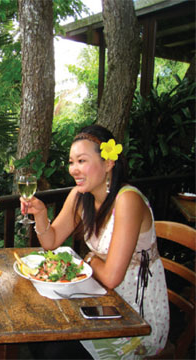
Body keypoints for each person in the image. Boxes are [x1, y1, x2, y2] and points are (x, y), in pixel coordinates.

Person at [20, 124, 169, 359]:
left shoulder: (127, 200)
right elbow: (52, 241)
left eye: (81, 161)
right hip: (98, 299)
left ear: (108, 164)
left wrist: (88, 258)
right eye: (71, 162)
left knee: (53, 350)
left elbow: (111, 276)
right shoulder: (81, 196)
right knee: (37, 333)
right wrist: (40, 215)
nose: (73, 169)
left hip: (135, 315)